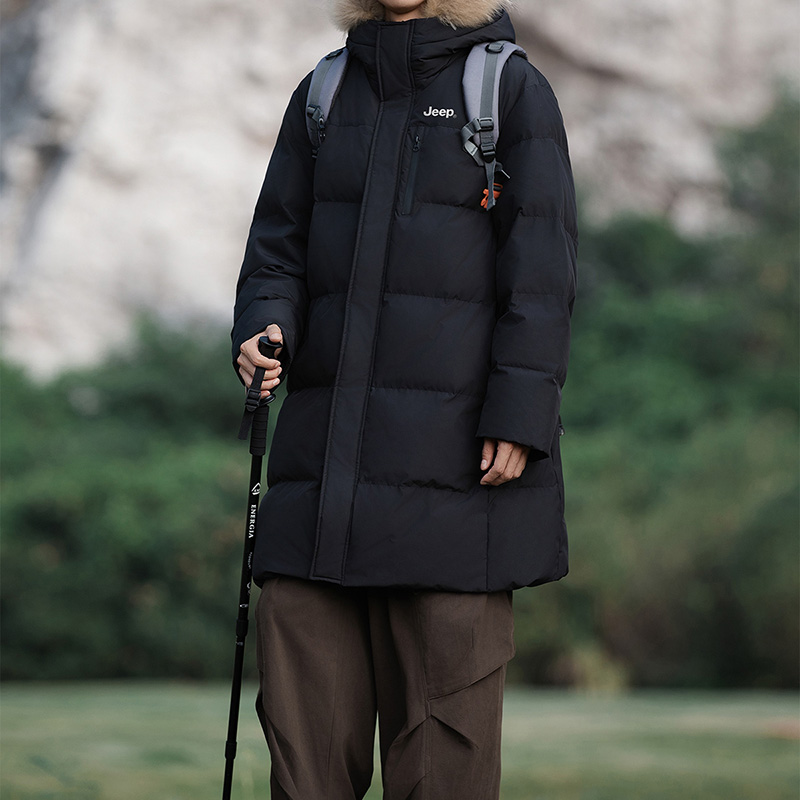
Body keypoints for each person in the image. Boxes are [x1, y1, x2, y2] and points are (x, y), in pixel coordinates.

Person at [231, 0, 578, 796]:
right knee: (304, 773)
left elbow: (542, 276)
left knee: (442, 773)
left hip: (457, 490)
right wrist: (263, 324)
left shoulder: (511, 92)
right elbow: (275, 250)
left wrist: (520, 417)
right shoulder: (324, 93)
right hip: (317, 501)